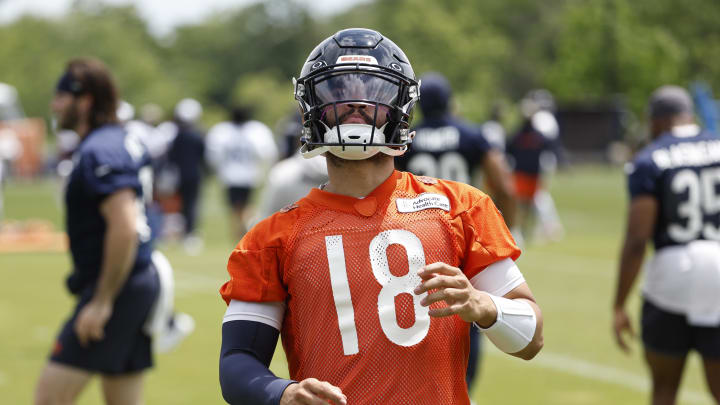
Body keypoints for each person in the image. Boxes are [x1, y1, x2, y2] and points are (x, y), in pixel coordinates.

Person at [218, 28, 543, 405]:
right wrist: (283, 392)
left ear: (400, 107)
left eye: (372, 94)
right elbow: (238, 362)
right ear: (312, 108)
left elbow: (531, 340)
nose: (356, 106)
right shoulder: (271, 238)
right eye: (339, 94)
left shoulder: (460, 208)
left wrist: (486, 307)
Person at [35, 58, 159, 405]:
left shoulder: (100, 149)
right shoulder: (118, 139)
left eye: (60, 96)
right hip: (136, 277)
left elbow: (124, 226)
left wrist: (103, 300)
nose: (54, 105)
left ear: (84, 100)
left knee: (48, 400)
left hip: (118, 285)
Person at [394, 71, 517, 393]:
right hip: (461, 233)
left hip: (411, 237)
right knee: (468, 310)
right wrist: (507, 228)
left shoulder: (408, 137)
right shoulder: (471, 134)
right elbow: (503, 183)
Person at [613, 85, 720, 405]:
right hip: (718, 270)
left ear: (656, 121)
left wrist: (619, 304)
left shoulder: (650, 159)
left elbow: (637, 239)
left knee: (664, 390)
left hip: (671, 276)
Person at [205, 105, 278, 239]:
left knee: (236, 208)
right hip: (250, 175)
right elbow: (266, 153)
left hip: (230, 175)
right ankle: (244, 231)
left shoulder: (222, 132)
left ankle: (240, 233)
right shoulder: (256, 131)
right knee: (245, 206)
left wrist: (218, 170)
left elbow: (214, 155)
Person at [507, 89, 565, 242]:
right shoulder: (522, 135)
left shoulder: (531, 134)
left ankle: (530, 230)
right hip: (525, 174)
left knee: (530, 203)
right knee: (525, 204)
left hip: (530, 174)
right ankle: (525, 230)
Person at [167, 98, 206, 253]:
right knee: (191, 204)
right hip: (194, 174)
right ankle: (189, 233)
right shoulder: (198, 135)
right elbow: (203, 156)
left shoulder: (177, 135)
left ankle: (182, 232)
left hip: (179, 174)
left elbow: (171, 156)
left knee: (181, 204)